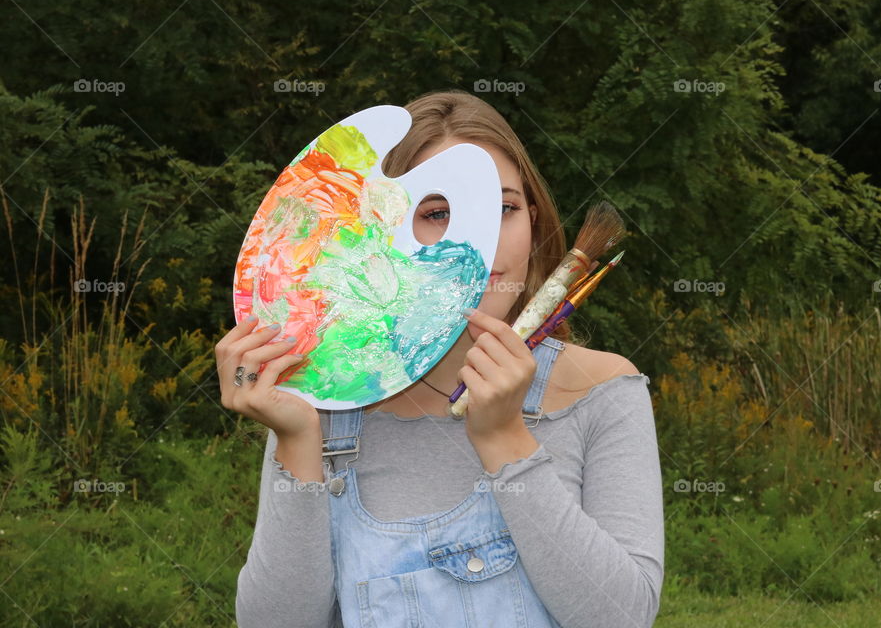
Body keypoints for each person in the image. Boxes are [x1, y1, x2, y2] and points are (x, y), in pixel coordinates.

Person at [218, 90, 664, 627]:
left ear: (535, 220)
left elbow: (623, 618)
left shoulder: (601, 390)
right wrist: (296, 440)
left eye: (503, 209)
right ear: (381, 232)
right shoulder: (328, 396)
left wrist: (505, 439)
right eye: (437, 213)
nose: (484, 244)